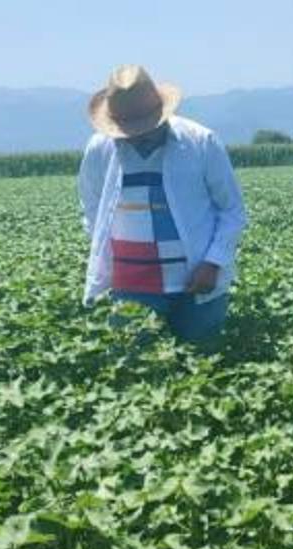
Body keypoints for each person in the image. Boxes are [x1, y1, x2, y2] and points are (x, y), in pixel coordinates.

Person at [77, 65, 247, 346]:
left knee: (201, 370)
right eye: (128, 130)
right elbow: (91, 208)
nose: (137, 136)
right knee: (132, 372)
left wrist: (213, 262)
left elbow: (231, 210)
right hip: (129, 288)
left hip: (196, 282)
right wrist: (110, 259)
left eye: (143, 128)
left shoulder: (200, 142)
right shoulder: (99, 149)